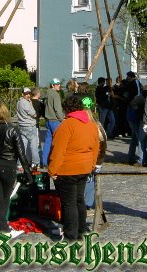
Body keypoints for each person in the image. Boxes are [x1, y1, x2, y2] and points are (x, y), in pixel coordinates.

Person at [48, 95, 100, 242]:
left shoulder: (66, 125)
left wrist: (52, 170)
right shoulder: (91, 124)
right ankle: (81, 231)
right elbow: (96, 147)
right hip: (84, 168)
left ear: (66, 109)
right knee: (79, 201)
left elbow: (58, 150)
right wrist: (91, 165)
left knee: (69, 203)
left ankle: (71, 235)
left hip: (67, 168)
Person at [0, 102, 33, 235]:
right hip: (8, 166)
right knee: (5, 198)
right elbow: (21, 152)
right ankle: (3, 227)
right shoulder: (13, 129)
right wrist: (27, 172)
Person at [81, 96, 107, 214]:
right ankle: (87, 204)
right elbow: (103, 143)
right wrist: (99, 162)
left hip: (85, 159)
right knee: (90, 182)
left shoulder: (78, 124)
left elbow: (102, 143)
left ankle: (85, 204)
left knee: (86, 181)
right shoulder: (97, 125)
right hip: (92, 159)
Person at [15, 87, 40, 167]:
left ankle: (20, 164)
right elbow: (34, 114)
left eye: (29, 93)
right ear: (23, 94)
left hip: (22, 126)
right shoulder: (25, 103)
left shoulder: (19, 102)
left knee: (23, 146)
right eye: (26, 94)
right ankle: (35, 163)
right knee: (34, 146)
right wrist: (31, 104)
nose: (28, 95)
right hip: (29, 126)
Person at [42, 78, 64, 167]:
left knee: (48, 142)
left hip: (48, 121)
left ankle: (44, 161)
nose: (59, 85)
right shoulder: (55, 95)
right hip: (55, 121)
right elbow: (58, 109)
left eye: (59, 84)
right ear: (53, 85)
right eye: (57, 84)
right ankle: (56, 162)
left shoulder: (47, 94)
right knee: (58, 143)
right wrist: (62, 119)